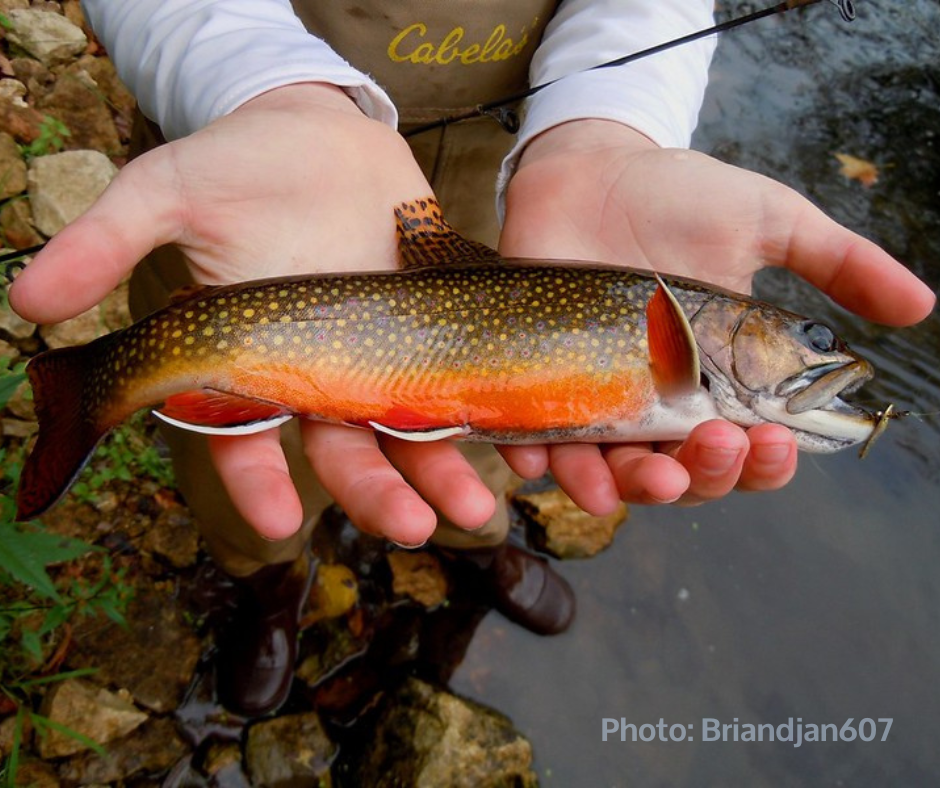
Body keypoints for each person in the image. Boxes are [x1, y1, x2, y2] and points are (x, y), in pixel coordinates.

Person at [10, 0, 934, 716]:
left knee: (484, 462)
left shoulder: (677, 336)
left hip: (522, 181)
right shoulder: (672, 340)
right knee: (252, 475)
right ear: (726, 329)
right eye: (813, 340)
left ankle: (472, 547)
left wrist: (607, 124)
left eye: (814, 342)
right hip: (253, 162)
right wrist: (256, 85)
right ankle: (266, 582)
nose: (824, 354)